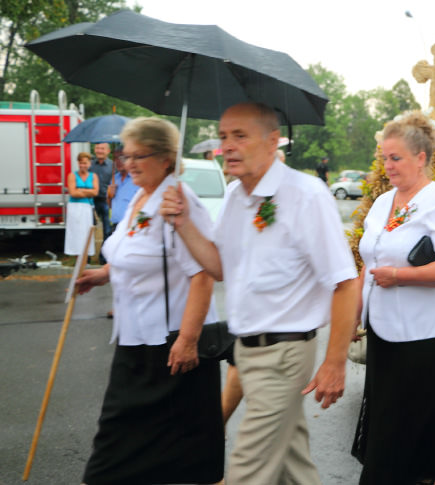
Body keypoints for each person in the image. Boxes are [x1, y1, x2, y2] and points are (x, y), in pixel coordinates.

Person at [159, 102, 359, 485]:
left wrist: (335, 362)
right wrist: (183, 223)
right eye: (222, 137)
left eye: (239, 135)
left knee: (247, 471)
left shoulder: (306, 195)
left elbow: (345, 282)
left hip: (284, 356)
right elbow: (220, 266)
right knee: (292, 468)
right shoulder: (235, 196)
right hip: (247, 356)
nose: (227, 146)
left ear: (272, 142)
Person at [76, 117, 224, 485]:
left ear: (166, 157)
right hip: (136, 339)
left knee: (174, 453)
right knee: (121, 442)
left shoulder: (178, 200)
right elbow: (133, 252)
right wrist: (103, 274)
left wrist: (188, 340)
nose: (129, 163)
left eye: (139, 155)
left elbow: (203, 274)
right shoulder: (140, 195)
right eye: (126, 155)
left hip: (171, 347)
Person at [352, 111, 435, 484]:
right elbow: (367, 263)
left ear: (421, 157)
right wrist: (352, 319)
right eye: (384, 158)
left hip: (422, 338)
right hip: (383, 334)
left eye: (396, 158)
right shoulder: (381, 203)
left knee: (409, 431)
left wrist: (400, 276)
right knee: (393, 427)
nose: (387, 166)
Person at [64, 152, 98, 257]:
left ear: (90, 164)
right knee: (75, 231)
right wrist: (88, 191)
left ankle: (85, 256)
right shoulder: (72, 175)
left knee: (86, 231)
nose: (83, 165)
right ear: (78, 163)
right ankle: (76, 255)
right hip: (74, 206)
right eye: (81, 163)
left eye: (85, 163)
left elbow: (95, 192)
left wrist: (80, 189)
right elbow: (73, 193)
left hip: (87, 207)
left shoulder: (93, 176)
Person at [89, 142, 113, 263]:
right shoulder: (90, 165)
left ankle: (103, 257)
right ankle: (86, 258)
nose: (99, 150)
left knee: (107, 230)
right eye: (97, 148)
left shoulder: (113, 166)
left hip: (105, 201)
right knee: (88, 230)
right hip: (90, 201)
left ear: (108, 151)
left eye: (102, 148)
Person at [107, 151, 139, 232]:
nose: (118, 161)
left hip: (130, 227)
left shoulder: (137, 180)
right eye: (115, 158)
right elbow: (109, 205)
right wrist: (109, 195)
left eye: (121, 158)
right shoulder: (114, 179)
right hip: (115, 226)